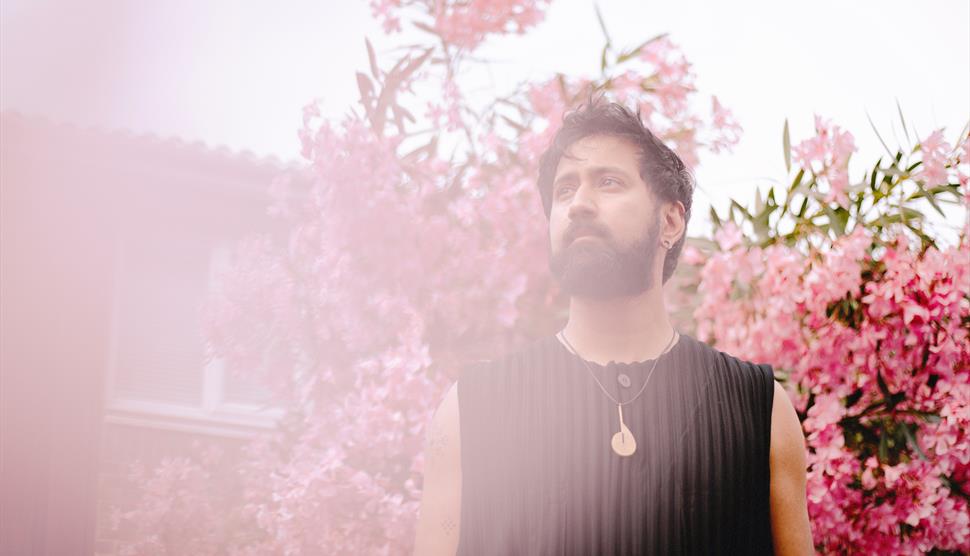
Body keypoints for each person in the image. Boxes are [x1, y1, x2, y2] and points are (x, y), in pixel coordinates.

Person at [413, 96, 814, 555]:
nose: (579, 204)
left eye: (608, 182)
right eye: (564, 190)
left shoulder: (759, 409)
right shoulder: (471, 409)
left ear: (671, 220)